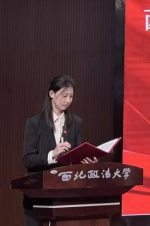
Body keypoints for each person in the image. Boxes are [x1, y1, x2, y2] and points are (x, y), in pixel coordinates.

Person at [22, 75, 97, 226]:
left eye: (71, 96)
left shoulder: (75, 122)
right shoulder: (34, 123)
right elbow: (27, 160)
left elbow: (75, 157)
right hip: (38, 193)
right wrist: (52, 154)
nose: (68, 100)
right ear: (52, 94)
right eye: (64, 95)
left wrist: (86, 161)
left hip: (66, 194)